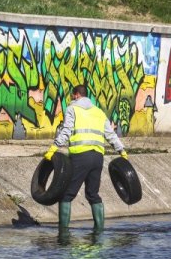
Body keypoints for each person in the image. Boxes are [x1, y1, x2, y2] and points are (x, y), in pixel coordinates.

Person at [44, 85, 127, 231]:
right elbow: (110, 134)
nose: (71, 98)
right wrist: (122, 151)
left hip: (81, 156)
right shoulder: (99, 112)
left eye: (72, 95)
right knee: (92, 194)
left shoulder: (72, 109)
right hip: (98, 157)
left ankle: (63, 234)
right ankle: (99, 231)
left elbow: (67, 131)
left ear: (76, 95)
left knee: (66, 194)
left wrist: (54, 147)